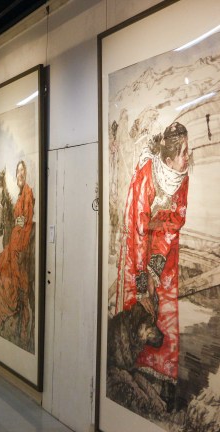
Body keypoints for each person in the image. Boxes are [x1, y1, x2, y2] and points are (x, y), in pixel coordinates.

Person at [113, 121, 190, 408]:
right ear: (168, 158)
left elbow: (175, 219)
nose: (188, 156)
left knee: (165, 308)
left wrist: (157, 265)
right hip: (138, 247)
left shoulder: (182, 176)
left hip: (164, 249)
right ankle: (131, 368)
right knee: (139, 308)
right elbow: (137, 230)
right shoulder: (146, 175)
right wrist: (143, 281)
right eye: (184, 151)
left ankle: (163, 377)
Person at [0, 160, 35, 345]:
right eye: (18, 171)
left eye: (23, 170)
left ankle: (13, 318)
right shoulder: (21, 194)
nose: (20, 174)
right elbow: (19, 220)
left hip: (18, 245)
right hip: (14, 241)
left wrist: (20, 248)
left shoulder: (28, 193)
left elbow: (26, 222)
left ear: (26, 173)